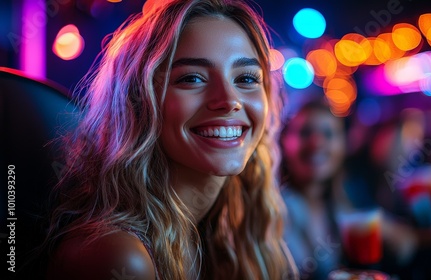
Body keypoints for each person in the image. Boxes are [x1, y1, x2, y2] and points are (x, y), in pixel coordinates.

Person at [43, 0, 297, 279]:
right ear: (138, 102)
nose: (229, 101)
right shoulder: (121, 257)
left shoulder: (229, 235)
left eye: (246, 78)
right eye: (192, 78)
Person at [280, 101, 349, 279]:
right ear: (284, 141)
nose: (316, 143)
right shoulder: (271, 211)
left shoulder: (343, 208)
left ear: (343, 145)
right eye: (305, 132)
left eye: (328, 134)